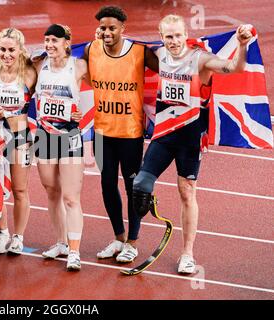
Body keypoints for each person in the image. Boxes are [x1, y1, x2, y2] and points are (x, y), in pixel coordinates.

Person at [132, 14, 253, 274]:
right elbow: (126, 50)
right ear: (161, 36)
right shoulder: (158, 54)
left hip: (189, 136)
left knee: (187, 191)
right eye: (168, 36)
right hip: (164, 134)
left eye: (178, 35)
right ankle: (131, 242)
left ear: (185, 33)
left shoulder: (199, 59)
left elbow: (235, 68)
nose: (174, 41)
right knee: (140, 184)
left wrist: (242, 45)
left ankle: (187, 253)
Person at [83, 5, 159, 263]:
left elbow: (170, 67)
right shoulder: (90, 50)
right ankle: (118, 237)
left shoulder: (139, 52)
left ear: (123, 29)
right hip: (102, 131)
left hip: (130, 133)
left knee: (132, 187)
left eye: (112, 28)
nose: (107, 32)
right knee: (107, 185)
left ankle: (133, 243)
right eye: (103, 27)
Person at [0, 27, 37, 254]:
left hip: (20, 136)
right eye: (2, 49)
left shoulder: (30, 73)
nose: (6, 54)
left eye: (12, 49)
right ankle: (2, 232)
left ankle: (18, 237)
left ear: (21, 49)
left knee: (21, 189)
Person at [33, 24, 88, 270]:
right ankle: (61, 242)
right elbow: (8, 70)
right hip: (44, 136)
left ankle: (74, 251)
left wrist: (83, 111)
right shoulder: (37, 65)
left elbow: (105, 83)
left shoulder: (78, 66)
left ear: (67, 42)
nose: (49, 45)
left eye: (55, 40)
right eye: (46, 40)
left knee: (70, 197)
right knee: (52, 192)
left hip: (69, 137)